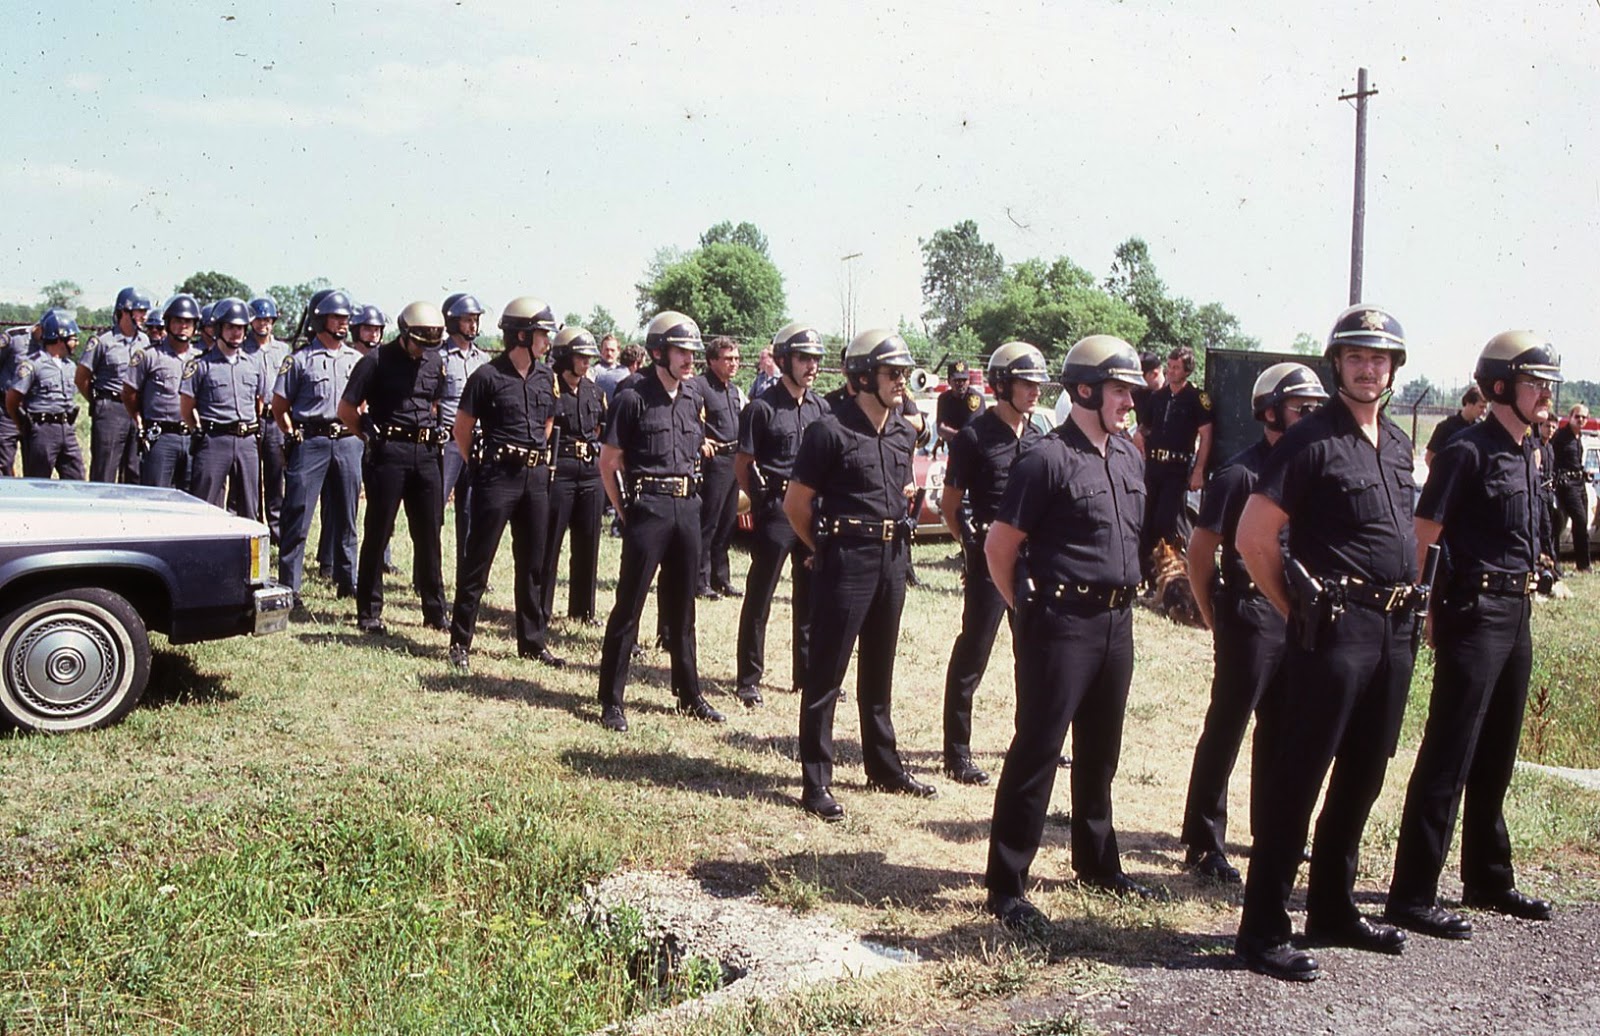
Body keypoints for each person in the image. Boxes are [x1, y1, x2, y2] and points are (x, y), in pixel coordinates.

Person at [1232, 305, 1424, 982]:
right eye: (1357, 357)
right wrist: (1295, 609)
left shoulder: (1396, 443)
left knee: (1365, 772)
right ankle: (1261, 931)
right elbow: (1253, 538)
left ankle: (1334, 909)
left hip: (1394, 630)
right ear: (1337, 364)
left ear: (1393, 369)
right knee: (1299, 778)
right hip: (1336, 630)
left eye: (1380, 359)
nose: (1369, 369)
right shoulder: (1310, 440)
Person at [1382, 331, 1562, 944]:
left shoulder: (1529, 451)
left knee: (1497, 750)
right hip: (1473, 610)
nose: (1545, 394)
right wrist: (1427, 611)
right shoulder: (1467, 451)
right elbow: (1423, 535)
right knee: (1449, 751)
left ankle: (1487, 876)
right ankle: (1412, 894)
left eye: (1548, 383)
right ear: (1501, 386)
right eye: (1535, 383)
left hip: (1516, 610)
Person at [981, 336, 1154, 927]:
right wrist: (1028, 613)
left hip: (1117, 622)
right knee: (1038, 749)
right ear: (1085, 390)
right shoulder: (1046, 458)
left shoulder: (1128, 456)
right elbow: (999, 547)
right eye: (1119, 390)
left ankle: (1097, 864)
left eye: (1130, 391)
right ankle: (1007, 884)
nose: (1128, 401)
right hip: (1060, 624)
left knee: (1101, 751)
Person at [1179, 363, 1328, 884]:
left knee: (1283, 731)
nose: (1311, 416)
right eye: (1300, 408)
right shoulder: (1239, 474)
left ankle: (1274, 834)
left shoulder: (1311, 469)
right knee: (1228, 726)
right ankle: (1203, 842)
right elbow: (1201, 553)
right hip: (1248, 613)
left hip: (1294, 612)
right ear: (1269, 413)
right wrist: (1213, 614)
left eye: (1317, 408)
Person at [785, 327, 934, 821]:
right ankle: (816, 781)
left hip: (893, 557)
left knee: (879, 668)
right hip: (846, 557)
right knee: (826, 672)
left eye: (905, 373)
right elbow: (796, 505)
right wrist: (824, 549)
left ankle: (883, 767)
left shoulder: (903, 432)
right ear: (864, 376)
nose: (902, 381)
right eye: (893, 373)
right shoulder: (828, 431)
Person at [595, 311, 724, 731]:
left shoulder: (692, 398)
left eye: (692, 352)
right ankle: (611, 700)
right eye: (680, 351)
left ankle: (689, 694)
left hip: (687, 506)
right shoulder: (632, 397)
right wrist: (626, 512)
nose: (689, 359)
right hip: (647, 507)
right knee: (629, 605)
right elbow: (609, 461)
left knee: (684, 606)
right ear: (657, 353)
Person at [938, 342, 1047, 786]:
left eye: (1039, 384)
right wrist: (971, 547)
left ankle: (1035, 739)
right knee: (974, 651)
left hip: (1034, 561)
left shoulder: (1040, 437)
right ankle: (956, 752)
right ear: (1002, 385)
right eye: (1026, 383)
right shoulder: (974, 436)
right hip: (989, 558)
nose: (1035, 391)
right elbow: (950, 505)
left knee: (1035, 653)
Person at [447, 297, 566, 672]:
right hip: (498, 477)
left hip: (535, 479)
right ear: (522, 335)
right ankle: (460, 642)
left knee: (533, 564)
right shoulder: (487, 376)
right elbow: (462, 428)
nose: (547, 340)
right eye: (542, 333)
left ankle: (532, 642)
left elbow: (548, 420)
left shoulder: (547, 377)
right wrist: (479, 466)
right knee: (477, 561)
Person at [336, 301, 449, 635]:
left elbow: (434, 403)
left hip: (426, 453)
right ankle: (369, 612)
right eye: (419, 343)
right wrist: (370, 437)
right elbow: (346, 409)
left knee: (429, 534)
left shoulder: (435, 361)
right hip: (389, 454)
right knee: (378, 531)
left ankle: (435, 611)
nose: (422, 350)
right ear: (404, 333)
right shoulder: (375, 361)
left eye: (429, 345)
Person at [733, 322, 831, 708]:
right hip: (776, 509)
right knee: (761, 596)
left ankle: (805, 675)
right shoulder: (761, 408)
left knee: (811, 595)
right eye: (804, 358)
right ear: (784, 360)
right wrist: (762, 503)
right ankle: (748, 679)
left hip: (811, 511)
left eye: (815, 359)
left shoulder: (821, 408)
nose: (812, 366)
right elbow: (743, 464)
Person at [273, 290, 363, 605]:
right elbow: (280, 406)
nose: (343, 323)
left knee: (347, 516)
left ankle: (347, 580)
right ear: (320, 319)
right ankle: (290, 586)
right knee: (298, 514)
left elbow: (363, 402)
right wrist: (291, 435)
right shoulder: (299, 360)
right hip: (311, 441)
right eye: (336, 318)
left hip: (348, 442)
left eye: (346, 318)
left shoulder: (356, 360)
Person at [542, 326, 608, 625]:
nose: (586, 362)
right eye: (580, 356)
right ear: (564, 357)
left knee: (589, 542)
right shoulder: (548, 387)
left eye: (589, 357)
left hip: (590, 471)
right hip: (560, 469)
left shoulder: (595, 391)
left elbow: (601, 427)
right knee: (550, 542)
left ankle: (583, 611)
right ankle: (541, 610)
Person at [180, 297, 268, 516]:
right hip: (214, 440)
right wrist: (199, 430)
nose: (236, 333)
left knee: (249, 505)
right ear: (219, 328)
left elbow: (259, 401)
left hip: (247, 442)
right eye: (230, 327)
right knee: (204, 504)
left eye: (240, 328)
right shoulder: (201, 365)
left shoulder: (253, 364)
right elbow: (187, 407)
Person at [1136, 346, 1213, 580]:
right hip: (1154, 466)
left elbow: (1206, 435)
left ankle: (1171, 573)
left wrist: (1199, 470)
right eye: (1169, 367)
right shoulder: (1158, 397)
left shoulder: (1197, 398)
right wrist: (1139, 436)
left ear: (1187, 370)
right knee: (1145, 519)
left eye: (1176, 368)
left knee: (1166, 521)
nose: (1170, 372)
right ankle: (1145, 575)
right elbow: (1144, 427)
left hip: (1177, 468)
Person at [125, 295, 202, 491]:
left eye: (188, 322)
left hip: (193, 437)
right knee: (156, 495)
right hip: (162, 437)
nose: (183, 326)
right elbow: (129, 393)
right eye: (178, 321)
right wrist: (139, 420)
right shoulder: (149, 356)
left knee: (192, 496)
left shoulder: (201, 359)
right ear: (167, 323)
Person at [438, 293, 490, 579]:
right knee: (435, 511)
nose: (473, 325)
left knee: (471, 513)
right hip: (447, 443)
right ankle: (427, 576)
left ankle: (467, 576)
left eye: (475, 320)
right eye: (467, 320)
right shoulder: (439, 358)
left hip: (475, 443)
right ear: (453, 322)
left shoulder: (483, 360)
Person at [76, 286, 149, 483]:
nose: (144, 316)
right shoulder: (103, 341)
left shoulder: (145, 341)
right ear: (124, 311)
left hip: (136, 410)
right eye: (140, 311)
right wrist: (99, 402)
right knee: (105, 469)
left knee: (134, 470)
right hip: (111, 409)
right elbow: (82, 378)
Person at [6, 309, 85, 480]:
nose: (77, 343)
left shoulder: (70, 366)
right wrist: (24, 426)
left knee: (76, 477)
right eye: (73, 338)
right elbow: (12, 400)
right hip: (42, 431)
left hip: (67, 429)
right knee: (38, 480)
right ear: (60, 338)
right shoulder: (33, 365)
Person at [694, 335, 745, 599]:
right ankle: (700, 581)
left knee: (727, 523)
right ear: (712, 360)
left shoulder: (733, 390)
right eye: (728, 359)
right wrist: (700, 439)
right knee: (709, 523)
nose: (734, 363)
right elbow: (687, 417)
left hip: (733, 460)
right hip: (713, 463)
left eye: (736, 358)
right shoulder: (699, 387)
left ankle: (721, 578)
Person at [242, 296, 291, 537]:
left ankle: (276, 528)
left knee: (275, 474)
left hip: (274, 418)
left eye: (267, 320)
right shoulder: (242, 348)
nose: (263, 324)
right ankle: (252, 525)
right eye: (259, 320)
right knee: (249, 477)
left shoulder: (282, 350)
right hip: (250, 418)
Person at [1550, 403, 1591, 572]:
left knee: (1582, 524)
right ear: (1570, 417)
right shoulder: (1560, 436)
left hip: (1580, 483)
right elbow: (1550, 457)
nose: (1580, 420)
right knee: (1577, 520)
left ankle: (1584, 564)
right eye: (1577, 416)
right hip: (1567, 485)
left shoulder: (1579, 437)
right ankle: (1557, 563)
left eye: (1584, 417)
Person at [1423, 385, 1487, 467]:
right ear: (1469, 403)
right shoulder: (1446, 427)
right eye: (1481, 407)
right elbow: (1430, 457)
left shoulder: (1481, 429)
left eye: (1485, 407)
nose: (1484, 411)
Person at [935, 359, 986, 447]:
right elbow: (940, 429)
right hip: (953, 447)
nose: (961, 384)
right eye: (957, 380)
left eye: (964, 380)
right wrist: (959, 435)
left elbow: (970, 434)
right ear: (949, 381)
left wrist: (950, 433)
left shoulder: (975, 398)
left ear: (969, 381)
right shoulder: (944, 399)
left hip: (974, 449)